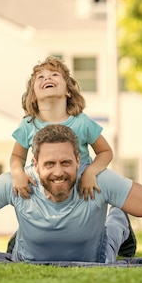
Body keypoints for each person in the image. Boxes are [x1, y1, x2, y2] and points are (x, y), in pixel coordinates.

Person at [0, 124, 142, 266]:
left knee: (111, 230)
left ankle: (119, 216)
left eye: (65, 162)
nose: (58, 172)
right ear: (35, 164)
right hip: (27, 255)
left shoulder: (98, 180)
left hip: (96, 254)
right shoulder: (18, 182)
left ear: (78, 160)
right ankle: (22, 237)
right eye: (49, 164)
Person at [10, 56, 113, 201]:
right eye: (41, 77)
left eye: (54, 75)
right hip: (50, 193)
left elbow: (105, 152)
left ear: (68, 91)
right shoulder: (28, 125)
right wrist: (17, 173)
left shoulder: (82, 122)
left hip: (82, 190)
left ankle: (118, 216)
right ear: (33, 96)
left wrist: (90, 173)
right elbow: (17, 156)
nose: (47, 78)